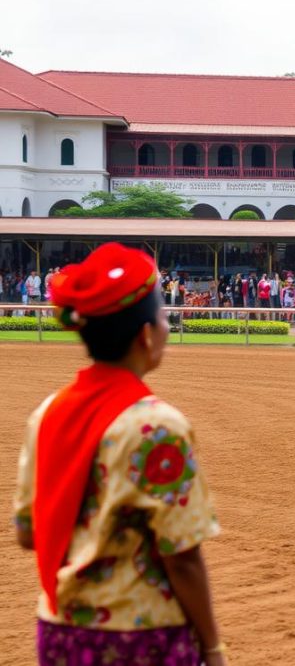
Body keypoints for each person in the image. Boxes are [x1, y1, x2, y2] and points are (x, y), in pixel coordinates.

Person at [12, 243, 226, 665]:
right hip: (142, 637)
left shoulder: (48, 412)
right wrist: (213, 648)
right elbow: (181, 555)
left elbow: (27, 531)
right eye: (164, 315)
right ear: (146, 335)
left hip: (59, 631)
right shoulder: (158, 426)